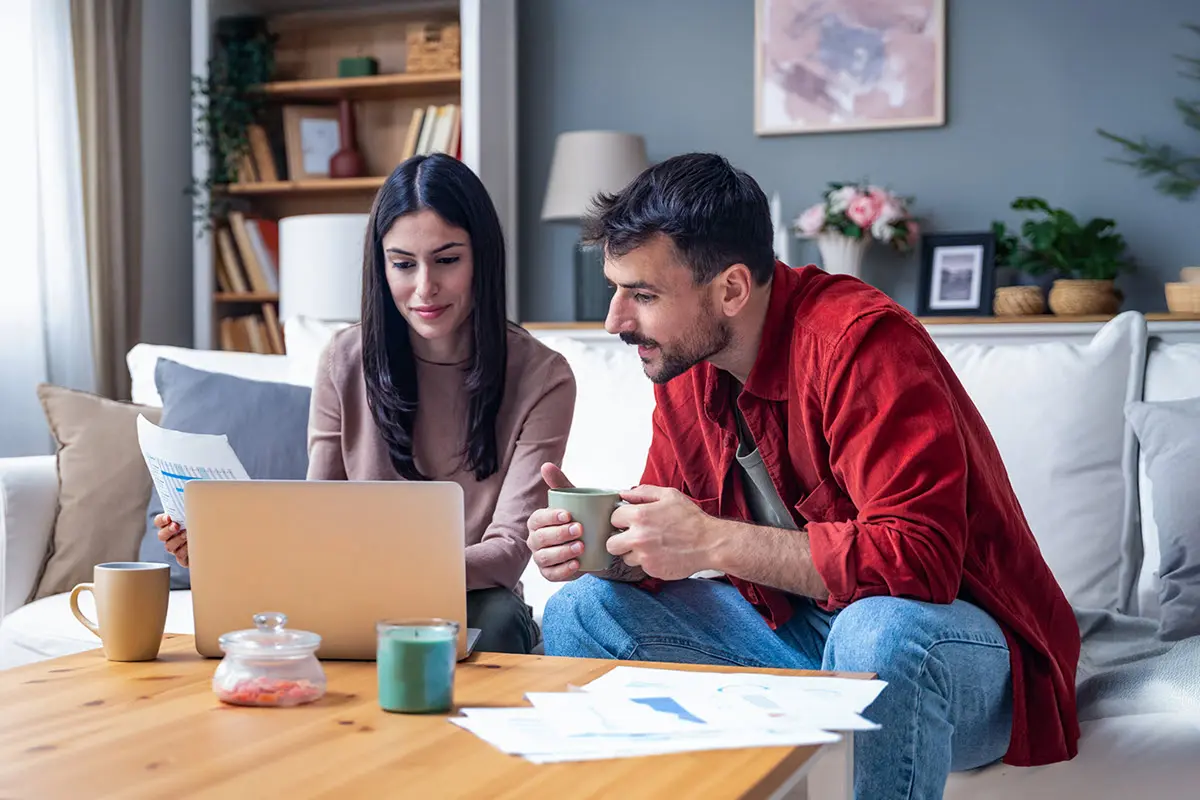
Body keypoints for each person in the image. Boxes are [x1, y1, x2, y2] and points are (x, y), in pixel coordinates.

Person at [525, 153, 1080, 798]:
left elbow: (919, 563)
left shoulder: (861, 345)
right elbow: (665, 554)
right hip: (803, 635)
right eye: (617, 289)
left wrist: (710, 540)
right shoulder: (684, 364)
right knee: (582, 610)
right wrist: (603, 547)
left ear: (731, 289)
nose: (615, 321)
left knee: (878, 633)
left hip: (958, 655)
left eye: (643, 295)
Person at [156, 152, 576, 655]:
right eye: (403, 264)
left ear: (481, 258)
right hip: (350, 594)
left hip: (470, 599)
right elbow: (318, 516)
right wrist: (217, 551)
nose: (425, 288)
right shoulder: (344, 360)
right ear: (381, 265)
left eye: (447, 260)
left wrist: (383, 573)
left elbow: (509, 551)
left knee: (499, 620)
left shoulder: (542, 377)